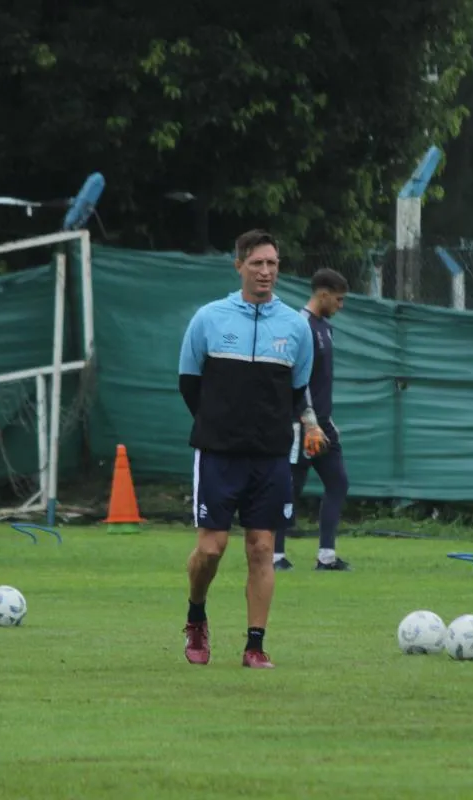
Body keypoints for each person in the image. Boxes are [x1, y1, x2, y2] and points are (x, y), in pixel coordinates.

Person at [177, 229, 321, 669]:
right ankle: (196, 616)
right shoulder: (209, 318)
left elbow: (298, 391)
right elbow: (189, 383)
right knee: (211, 549)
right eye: (257, 263)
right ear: (238, 265)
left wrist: (306, 424)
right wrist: (220, 426)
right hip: (218, 454)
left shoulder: (296, 327)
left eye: (273, 264)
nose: (265, 272)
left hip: (272, 456)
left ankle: (254, 645)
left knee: (262, 548)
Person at [274, 268, 351, 572]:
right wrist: (308, 420)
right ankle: (275, 556)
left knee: (338, 482)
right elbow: (297, 377)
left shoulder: (326, 328)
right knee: (290, 488)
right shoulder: (300, 325)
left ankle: (326, 557)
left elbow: (321, 381)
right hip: (301, 425)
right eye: (338, 299)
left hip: (323, 423)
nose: (340, 306)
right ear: (323, 294)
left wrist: (326, 420)